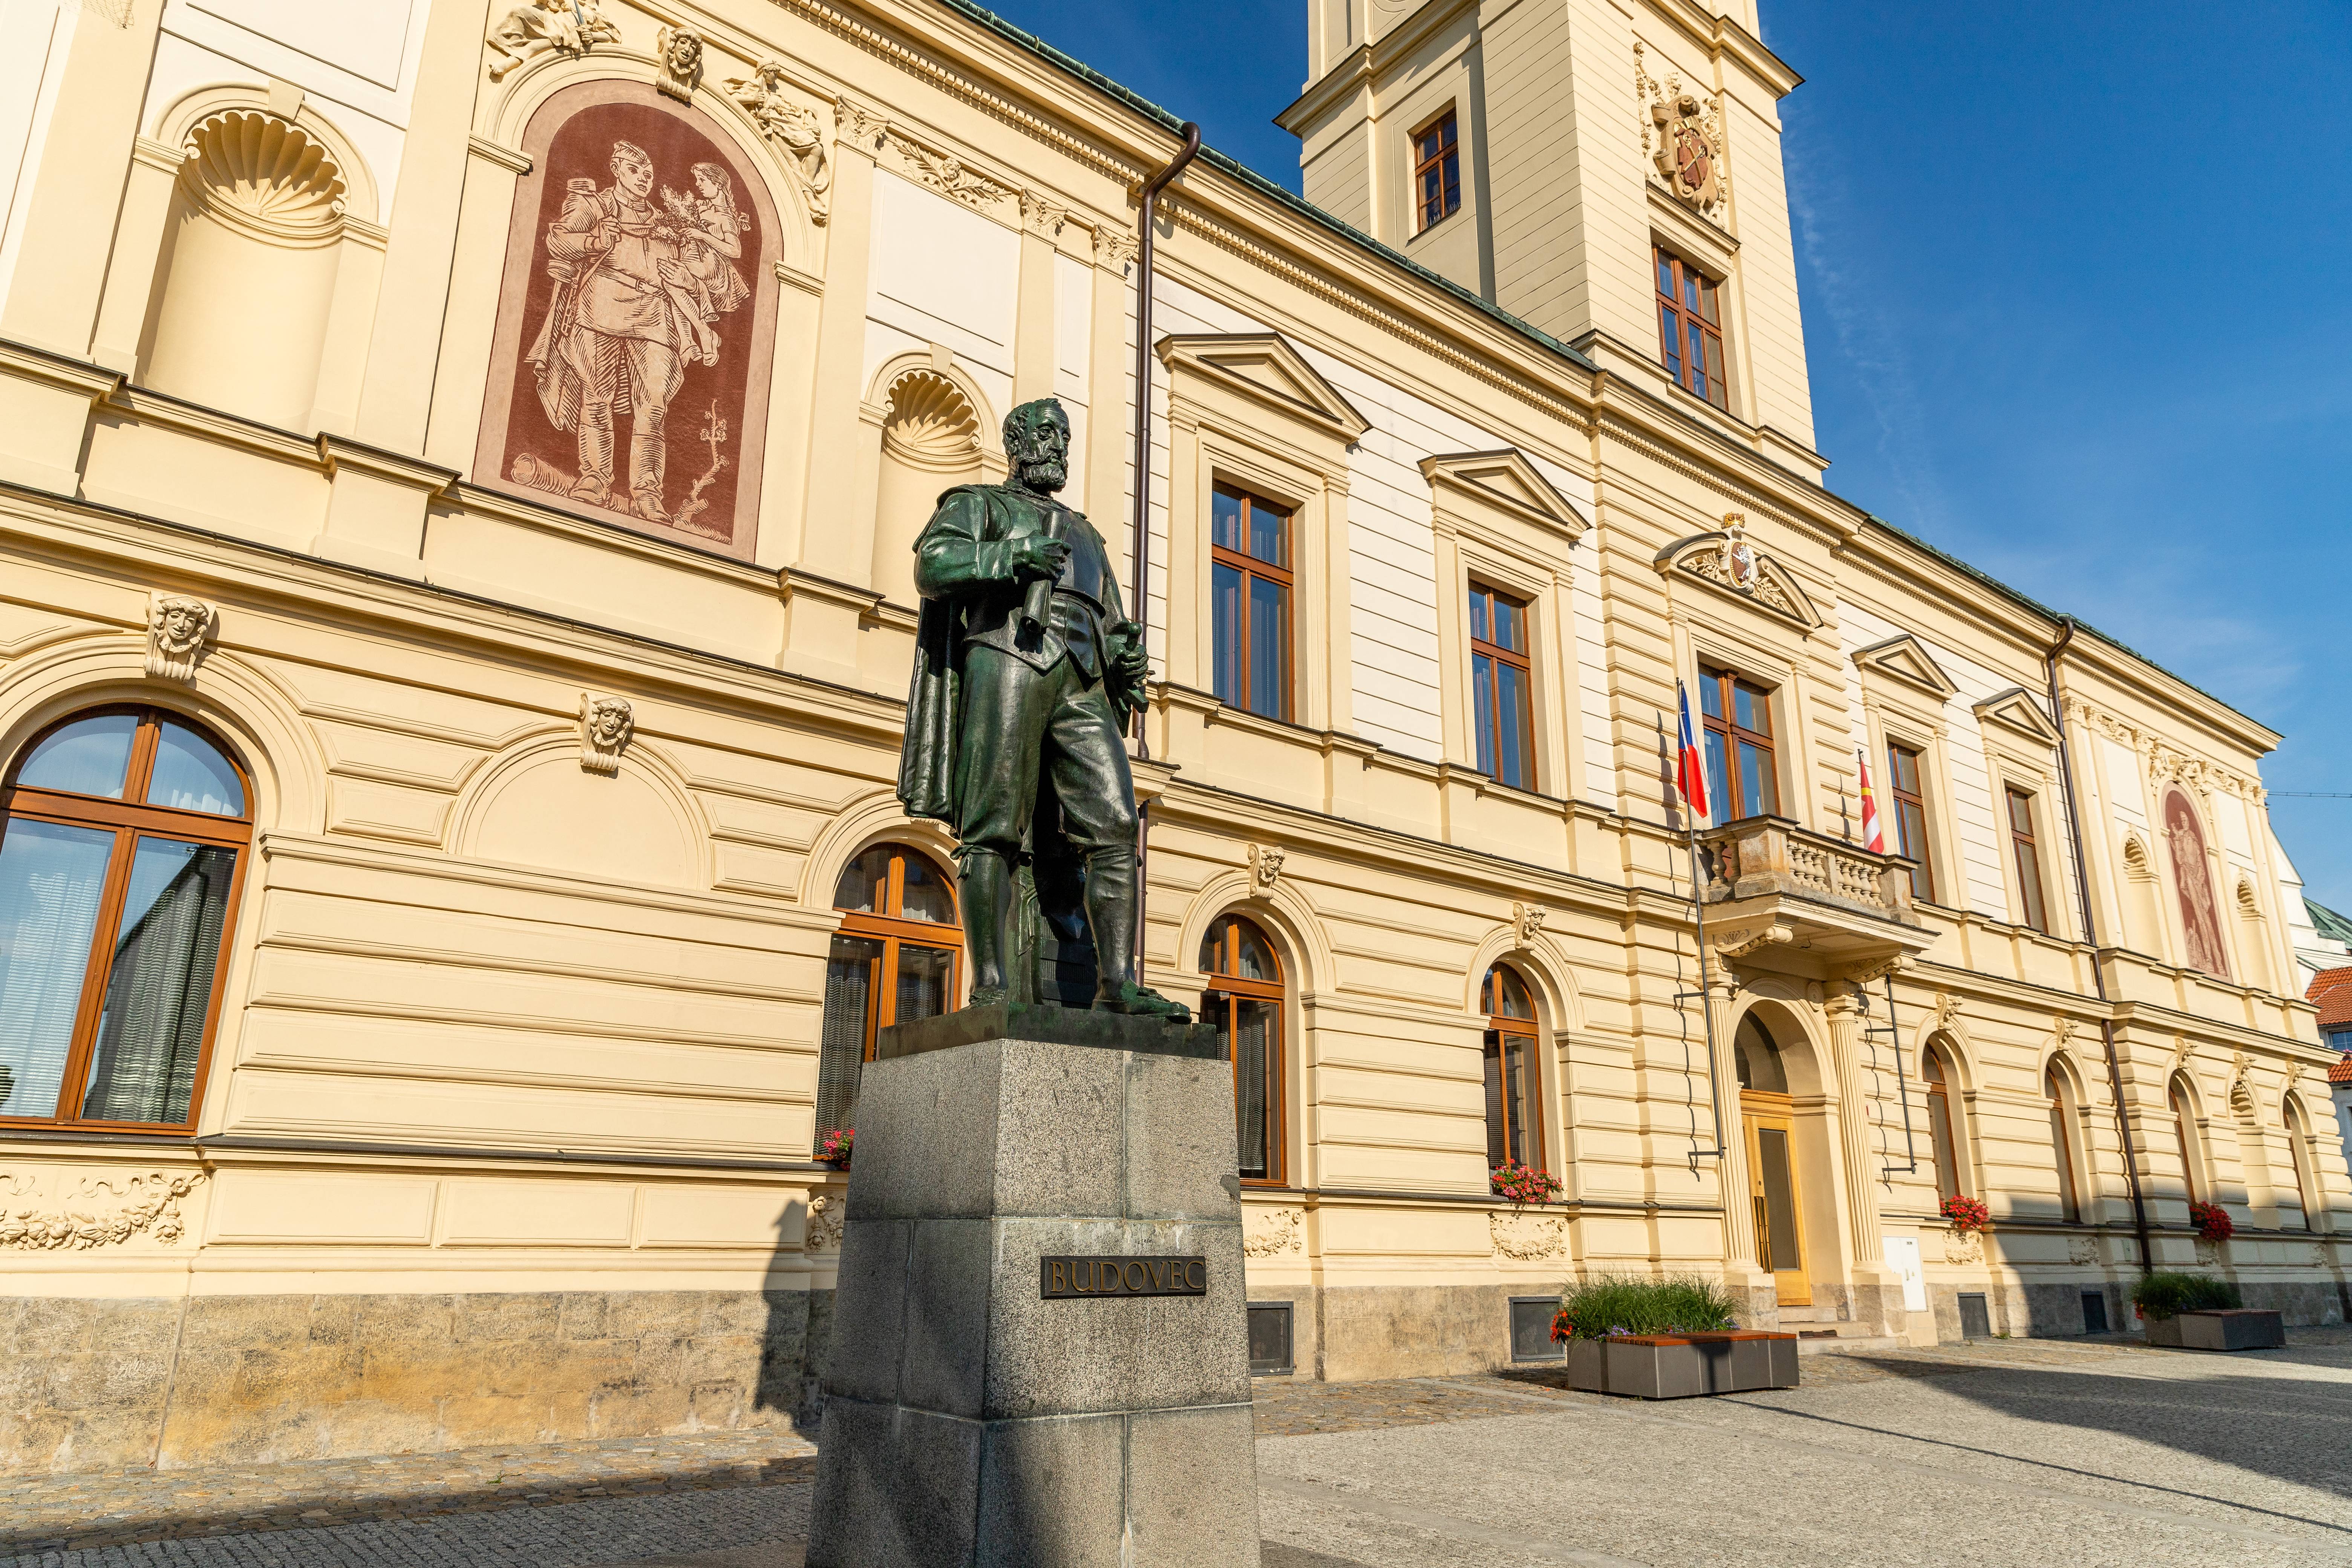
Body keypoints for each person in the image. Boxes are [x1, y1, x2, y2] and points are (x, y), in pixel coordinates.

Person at [897, 398, 1190, 1019]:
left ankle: (1118, 983)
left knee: (1115, 824)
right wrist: (1009, 558)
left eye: (1065, 437)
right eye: (1047, 434)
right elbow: (933, 565)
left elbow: (1110, 618)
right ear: (1016, 442)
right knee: (993, 825)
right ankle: (991, 984)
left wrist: (1125, 657)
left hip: (1082, 682)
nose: (1059, 446)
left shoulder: (1086, 534)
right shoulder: (978, 504)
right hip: (1008, 656)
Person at [527, 139, 701, 524]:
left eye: (648, 173)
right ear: (617, 170)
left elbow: (694, 273)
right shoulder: (596, 206)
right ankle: (595, 479)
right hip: (600, 306)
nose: (643, 179)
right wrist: (594, 241)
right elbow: (558, 238)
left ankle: (648, 494)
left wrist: (687, 278)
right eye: (634, 170)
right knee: (597, 394)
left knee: (654, 402)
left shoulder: (665, 222)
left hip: (654, 313)